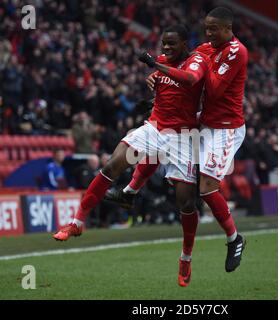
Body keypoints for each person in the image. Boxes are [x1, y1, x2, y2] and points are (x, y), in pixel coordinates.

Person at [53, 25, 209, 287]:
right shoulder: (161, 62)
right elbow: (165, 84)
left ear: (184, 44)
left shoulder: (196, 61)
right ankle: (77, 221)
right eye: (164, 45)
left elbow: (189, 80)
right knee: (113, 164)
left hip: (184, 137)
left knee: (185, 202)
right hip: (155, 127)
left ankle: (186, 257)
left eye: (172, 44)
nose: (166, 49)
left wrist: (155, 68)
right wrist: (152, 84)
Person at [105, 7, 248, 274]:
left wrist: (197, 70)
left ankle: (234, 239)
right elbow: (183, 71)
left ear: (228, 29)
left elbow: (212, 89)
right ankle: (131, 192)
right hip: (202, 120)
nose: (208, 34)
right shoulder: (206, 48)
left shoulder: (236, 52)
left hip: (225, 127)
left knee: (207, 187)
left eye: (213, 29)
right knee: (161, 136)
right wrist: (160, 84)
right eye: (206, 28)